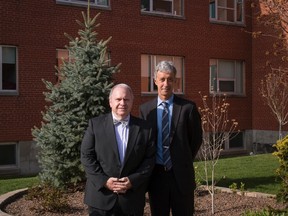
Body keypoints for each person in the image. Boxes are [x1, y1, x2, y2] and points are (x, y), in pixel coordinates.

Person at [81, 83, 155, 216]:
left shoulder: (145, 129)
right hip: (100, 200)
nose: (122, 103)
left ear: (132, 102)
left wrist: (132, 181)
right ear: (110, 102)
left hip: (131, 200)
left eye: (126, 99)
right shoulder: (95, 125)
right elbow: (86, 156)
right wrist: (104, 181)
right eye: (118, 99)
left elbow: (149, 160)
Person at [140, 61, 203, 216]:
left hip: (181, 176)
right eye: (162, 79)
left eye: (170, 79)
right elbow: (145, 143)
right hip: (156, 177)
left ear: (175, 81)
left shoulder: (188, 108)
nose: (166, 84)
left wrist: (182, 159)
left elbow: (195, 140)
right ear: (155, 81)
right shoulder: (146, 110)